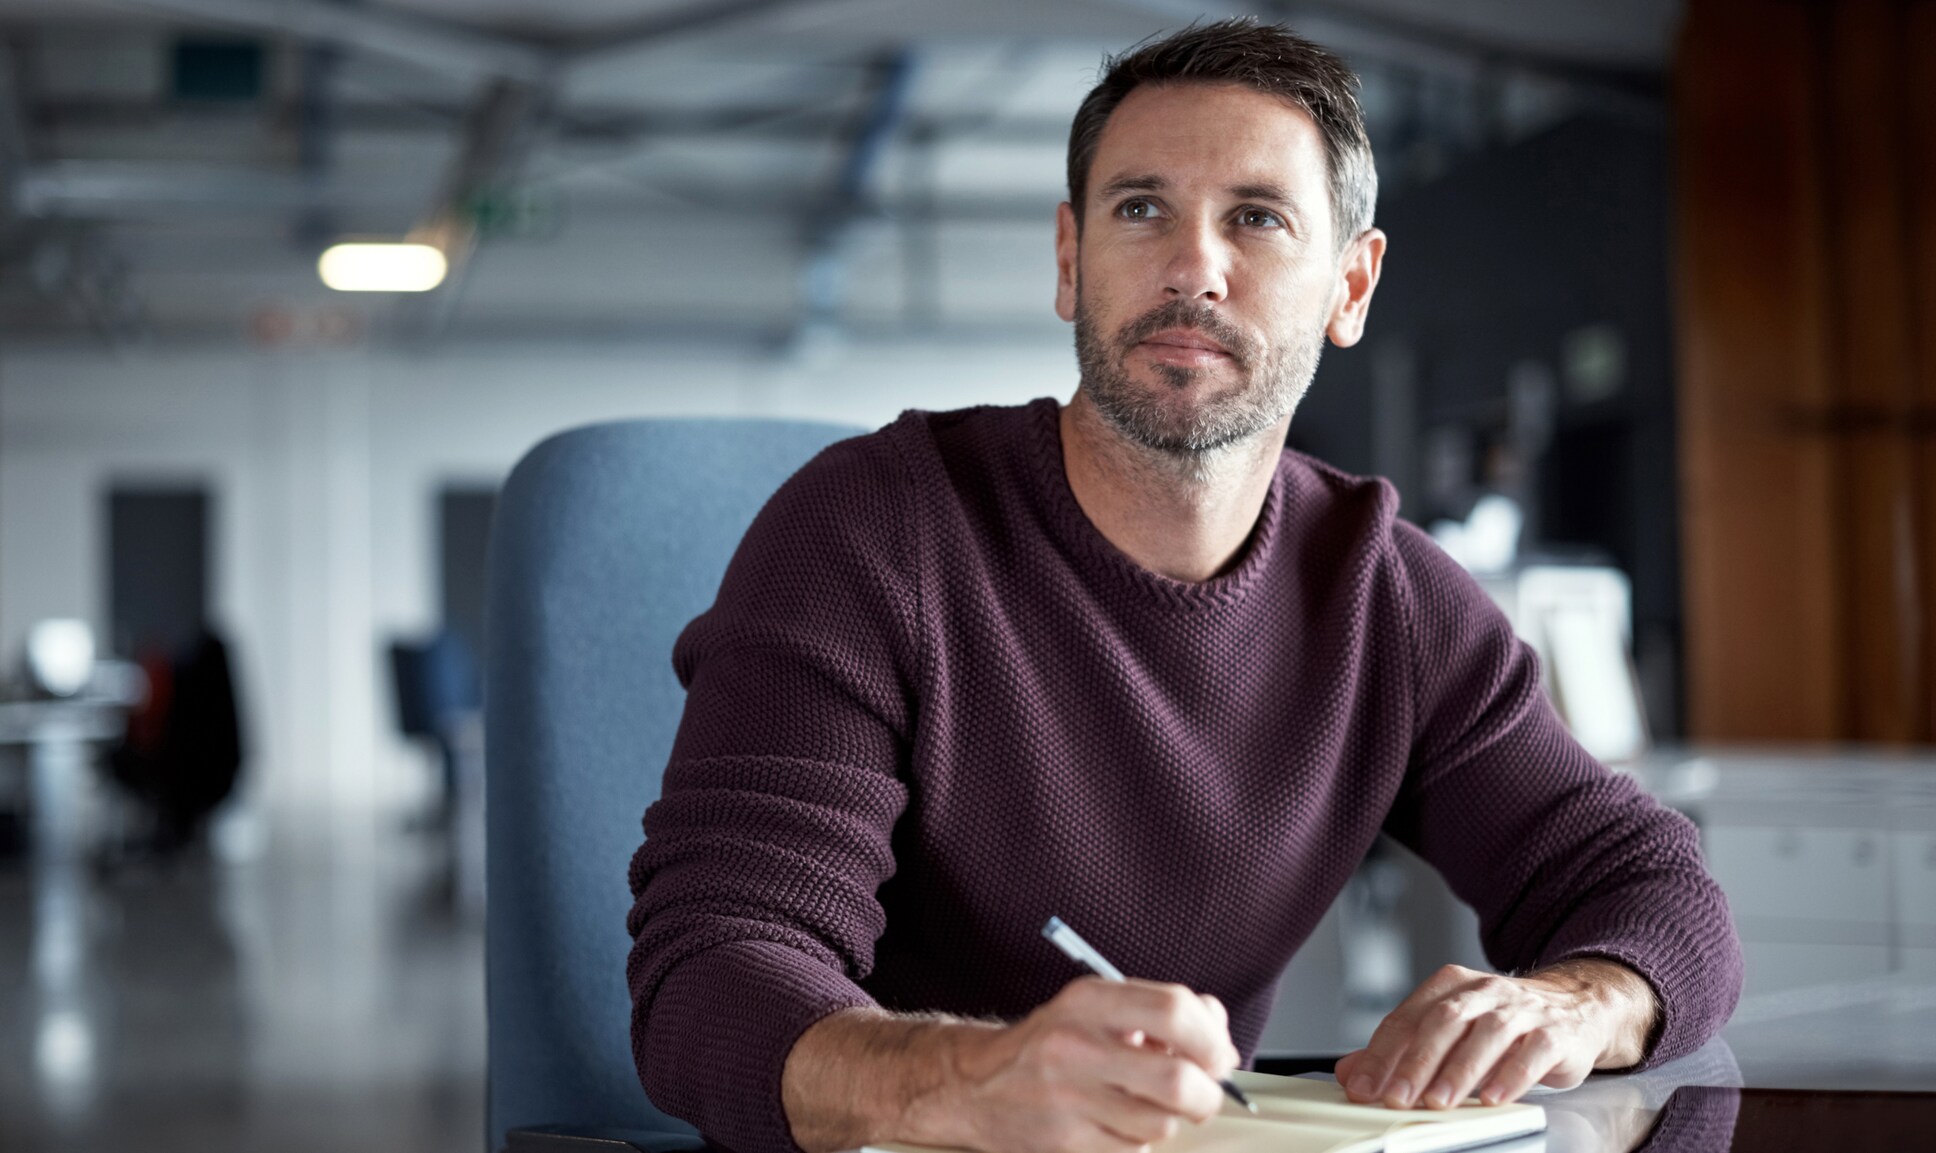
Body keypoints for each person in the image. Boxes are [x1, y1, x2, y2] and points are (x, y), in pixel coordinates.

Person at [625, 19, 1740, 1153]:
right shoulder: (869, 531)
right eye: (1138, 209)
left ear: (1349, 286)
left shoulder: (1384, 593)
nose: (1190, 267)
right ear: (1070, 261)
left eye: (1255, 217)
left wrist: (1575, 999)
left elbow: (1649, 888)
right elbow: (709, 974)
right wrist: (968, 1077)